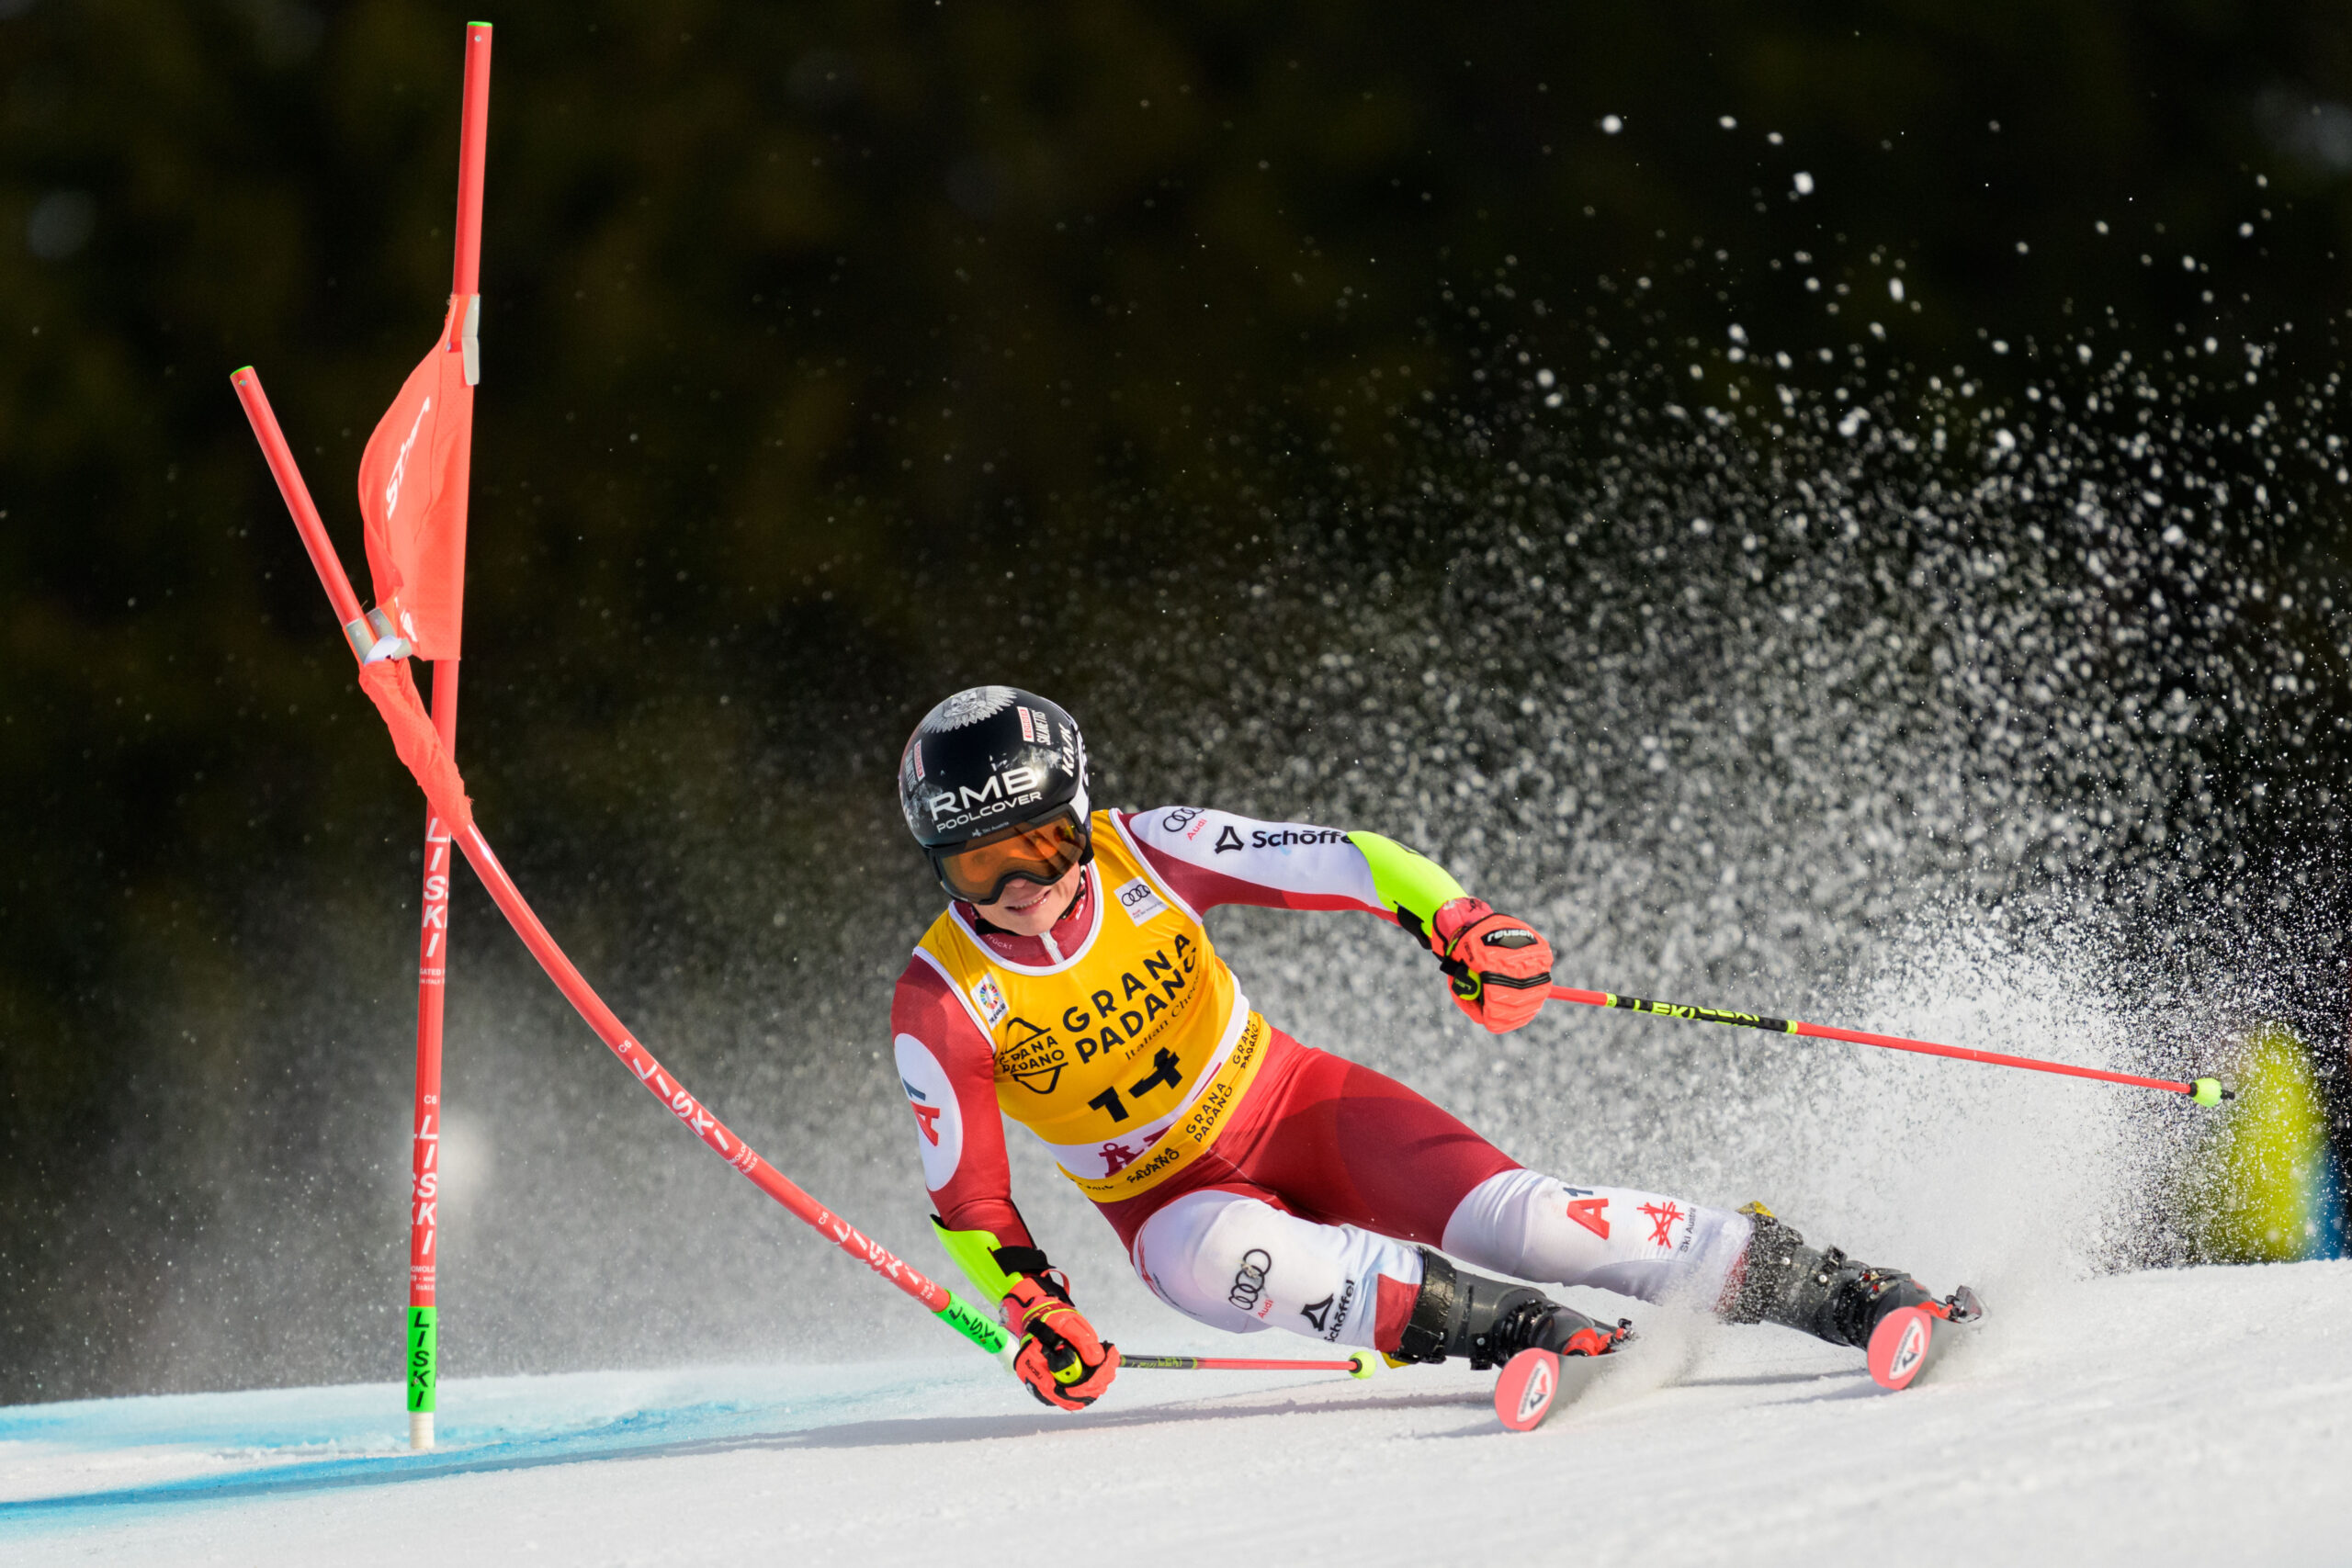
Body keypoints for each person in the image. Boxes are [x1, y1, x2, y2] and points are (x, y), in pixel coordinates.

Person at [890, 685, 1978, 1409]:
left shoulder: (1150, 851)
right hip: (1168, 1202)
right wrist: (1033, 1308)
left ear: (1080, 814)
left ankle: (1847, 1291)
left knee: (1536, 1219)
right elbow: (972, 1204)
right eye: (977, 869)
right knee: (1227, 1257)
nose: (1019, 891)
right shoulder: (942, 1001)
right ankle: (1534, 1338)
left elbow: (1347, 860)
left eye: (1038, 845)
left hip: (1297, 1105)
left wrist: (1456, 922)